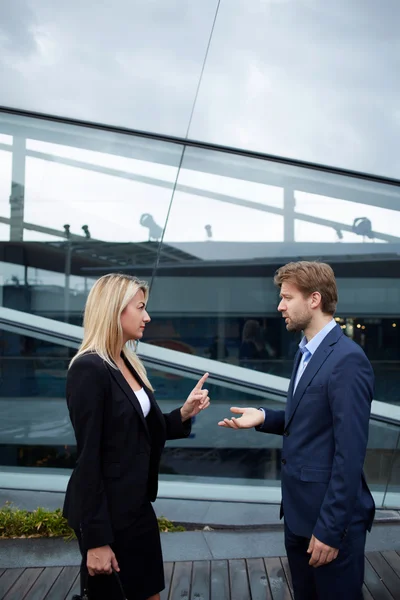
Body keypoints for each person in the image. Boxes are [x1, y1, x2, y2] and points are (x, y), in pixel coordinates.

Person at [219, 261, 375, 600]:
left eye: (287, 297)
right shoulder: (304, 352)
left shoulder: (348, 359)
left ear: (314, 299)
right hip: (299, 516)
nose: (280, 306)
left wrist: (331, 530)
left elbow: (350, 454)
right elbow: (310, 421)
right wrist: (263, 417)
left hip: (330, 524)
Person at [63, 274, 210, 600]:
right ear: (115, 310)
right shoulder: (89, 369)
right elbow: (89, 458)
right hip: (107, 514)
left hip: (137, 507)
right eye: (141, 307)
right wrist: (97, 540)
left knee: (149, 592)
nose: (148, 317)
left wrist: (184, 413)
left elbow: (144, 431)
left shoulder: (126, 361)